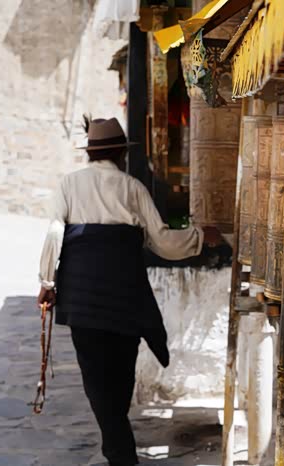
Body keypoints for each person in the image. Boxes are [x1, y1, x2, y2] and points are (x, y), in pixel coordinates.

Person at [37, 117, 223, 466]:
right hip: (124, 297)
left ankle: (118, 449)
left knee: (95, 374)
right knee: (121, 374)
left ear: (91, 153)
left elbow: (54, 233)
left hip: (82, 298)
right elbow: (163, 242)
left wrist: (47, 283)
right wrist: (201, 237)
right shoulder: (132, 188)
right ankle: (120, 451)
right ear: (121, 154)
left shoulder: (68, 185)